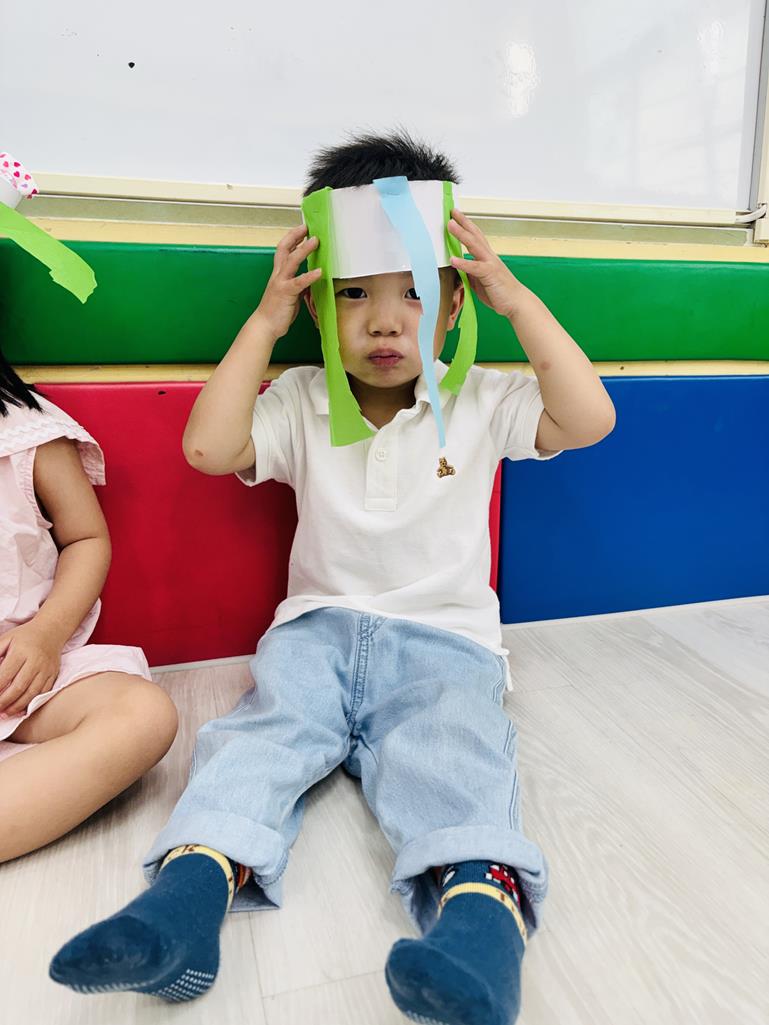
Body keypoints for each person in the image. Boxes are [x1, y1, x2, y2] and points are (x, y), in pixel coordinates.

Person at [50, 132, 615, 1025]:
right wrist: (264, 322)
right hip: (313, 633)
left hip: (445, 641)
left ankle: (480, 927)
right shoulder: (302, 398)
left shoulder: (482, 397)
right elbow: (208, 449)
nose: (384, 322)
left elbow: (588, 419)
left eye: (413, 291)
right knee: (256, 741)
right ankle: (184, 902)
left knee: (453, 750)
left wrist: (514, 300)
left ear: (455, 301)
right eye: (353, 293)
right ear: (318, 305)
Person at [0, 349, 178, 863]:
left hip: (22, 678)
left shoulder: (29, 431)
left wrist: (46, 634)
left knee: (143, 715)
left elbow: (86, 539)